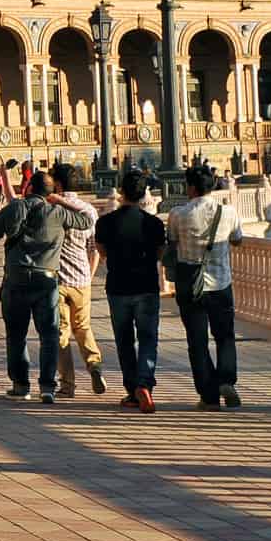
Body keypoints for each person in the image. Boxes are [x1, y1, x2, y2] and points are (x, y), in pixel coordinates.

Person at [0, 169, 94, 404]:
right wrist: (60, 201)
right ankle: (47, 388)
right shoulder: (58, 212)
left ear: (29, 188)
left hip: (16, 280)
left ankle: (21, 386)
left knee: (16, 336)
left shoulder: (15, 208)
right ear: (51, 192)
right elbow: (87, 219)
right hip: (47, 281)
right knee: (50, 336)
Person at [167, 166, 244, 409]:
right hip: (221, 283)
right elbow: (238, 239)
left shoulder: (178, 214)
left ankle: (209, 395)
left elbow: (172, 241)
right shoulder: (228, 212)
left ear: (190, 187)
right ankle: (227, 380)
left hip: (191, 285)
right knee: (225, 336)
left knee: (197, 341)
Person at [96, 171, 165, 411]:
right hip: (146, 287)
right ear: (144, 193)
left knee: (124, 340)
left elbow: (101, 251)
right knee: (148, 338)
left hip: (118, 288)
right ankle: (144, 383)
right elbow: (159, 254)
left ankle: (132, 391)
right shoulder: (154, 223)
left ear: (121, 192)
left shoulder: (105, 222)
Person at [47, 164, 106, 397]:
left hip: (59, 279)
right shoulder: (90, 211)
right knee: (83, 327)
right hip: (82, 278)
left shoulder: (53, 208)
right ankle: (94, 364)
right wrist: (89, 277)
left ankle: (68, 384)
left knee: (61, 332)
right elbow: (95, 251)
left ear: (58, 185)